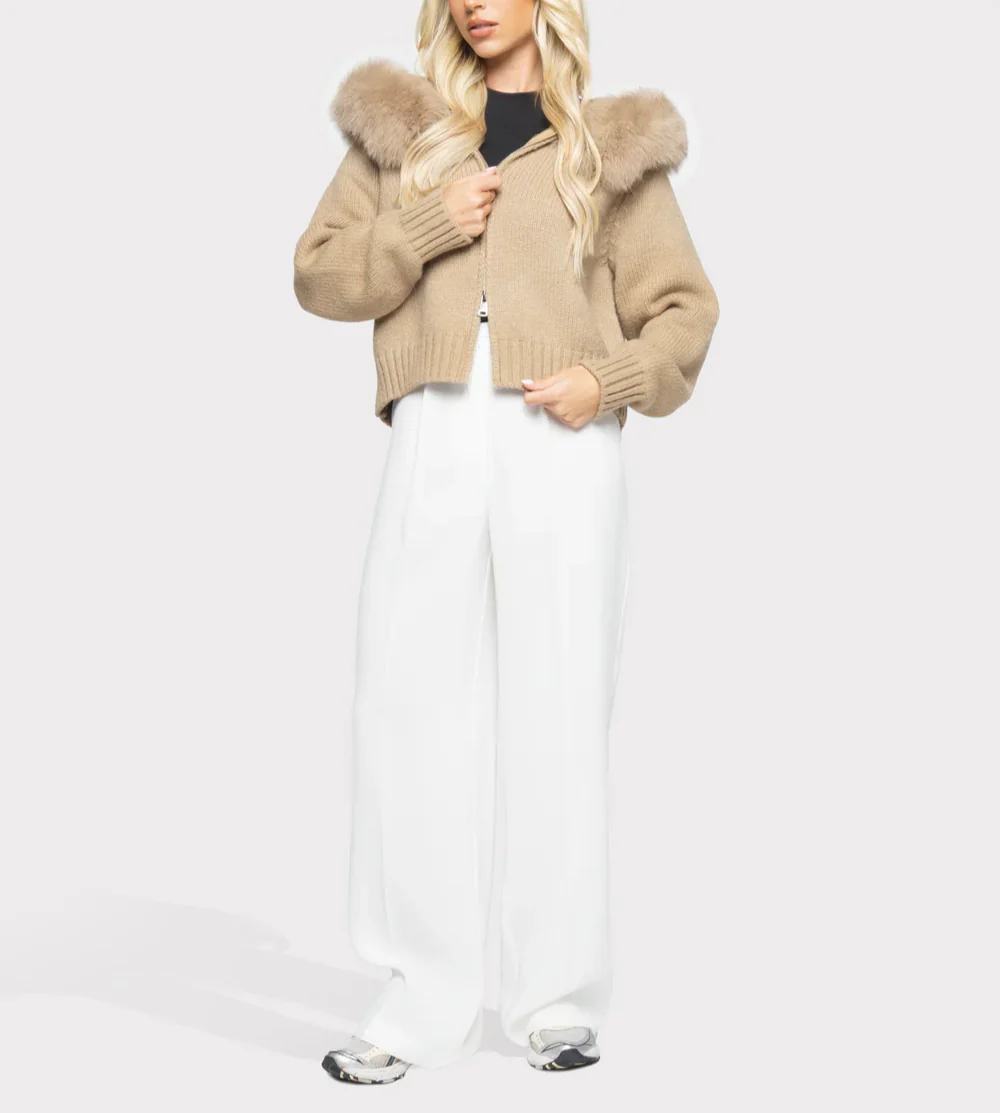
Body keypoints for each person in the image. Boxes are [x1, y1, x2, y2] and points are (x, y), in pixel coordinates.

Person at [292, 0, 719, 1085]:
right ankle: (417, 1003)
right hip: (434, 427)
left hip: (562, 438)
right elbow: (317, 275)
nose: (475, 3)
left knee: (558, 707)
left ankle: (553, 1001)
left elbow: (684, 311)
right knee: (407, 709)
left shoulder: (610, 145)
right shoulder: (400, 129)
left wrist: (605, 381)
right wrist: (425, 224)